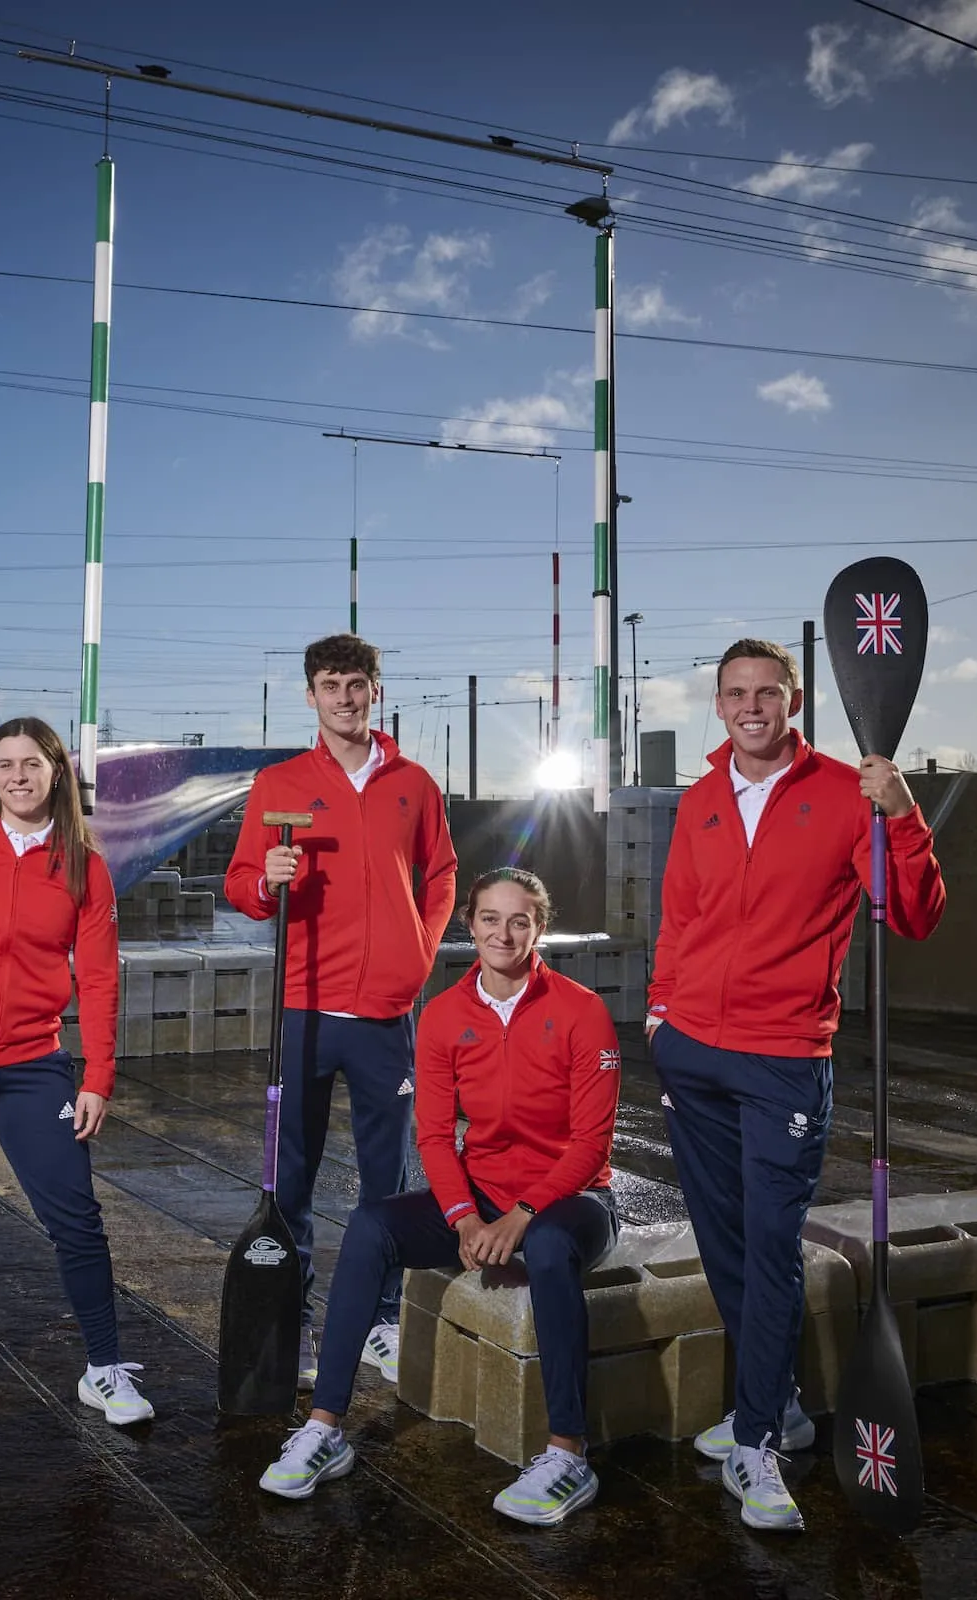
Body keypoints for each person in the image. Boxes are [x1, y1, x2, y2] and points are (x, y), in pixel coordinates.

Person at [646, 639, 946, 1532]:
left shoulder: (847, 795)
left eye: (767, 692)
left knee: (772, 1250)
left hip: (783, 1058)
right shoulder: (701, 800)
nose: (751, 706)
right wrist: (660, 1014)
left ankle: (757, 1444)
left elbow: (917, 914)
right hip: (693, 1053)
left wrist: (903, 815)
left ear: (794, 701)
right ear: (718, 704)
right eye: (735, 693)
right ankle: (773, 1405)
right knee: (724, 1246)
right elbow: (679, 916)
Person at [259, 868, 621, 1526]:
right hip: (483, 1193)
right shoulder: (446, 1014)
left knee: (547, 1247)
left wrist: (521, 1215)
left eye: (519, 921)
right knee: (370, 1226)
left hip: (572, 1202)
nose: (503, 933)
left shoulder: (581, 1011)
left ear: (539, 928)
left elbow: (591, 1145)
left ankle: (568, 1453)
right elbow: (432, 1134)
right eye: (490, 919)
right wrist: (463, 1217)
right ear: (471, 925)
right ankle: (324, 1427)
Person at [225, 634, 459, 1387]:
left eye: (356, 684)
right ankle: (293, 1317)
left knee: (386, 1176)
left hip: (386, 1013)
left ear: (375, 691)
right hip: (305, 1008)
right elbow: (240, 884)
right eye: (330, 685)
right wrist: (266, 880)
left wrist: (417, 950)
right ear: (311, 696)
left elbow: (441, 874)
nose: (345, 698)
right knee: (290, 1173)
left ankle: (381, 1319)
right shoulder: (281, 783)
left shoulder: (414, 784)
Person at [0, 716, 151, 1427]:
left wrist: (98, 1076)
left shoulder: (83, 865)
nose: (18, 776)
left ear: (55, 774)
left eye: (32, 764)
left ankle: (103, 1371)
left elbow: (98, 978)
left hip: (33, 1062)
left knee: (77, 1218)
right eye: (5, 764)